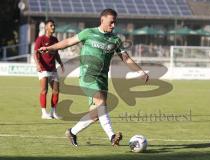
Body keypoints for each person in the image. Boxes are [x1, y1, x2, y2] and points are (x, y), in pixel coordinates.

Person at [38, 9, 149, 146]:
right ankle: (112, 136)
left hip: (102, 80)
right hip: (87, 77)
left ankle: (72, 132)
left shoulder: (115, 39)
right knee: (102, 103)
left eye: (115, 23)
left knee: (96, 114)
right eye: (111, 22)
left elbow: (125, 58)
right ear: (102, 20)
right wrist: (50, 48)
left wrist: (140, 72)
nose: (113, 25)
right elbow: (68, 42)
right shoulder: (89, 33)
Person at [34, 20, 64, 119]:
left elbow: (56, 53)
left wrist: (60, 63)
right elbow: (35, 53)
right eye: (51, 26)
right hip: (43, 68)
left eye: (54, 26)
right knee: (44, 91)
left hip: (53, 69)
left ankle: (53, 113)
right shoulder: (40, 39)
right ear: (46, 27)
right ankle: (44, 113)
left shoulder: (55, 40)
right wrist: (38, 64)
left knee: (56, 90)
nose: (53, 27)